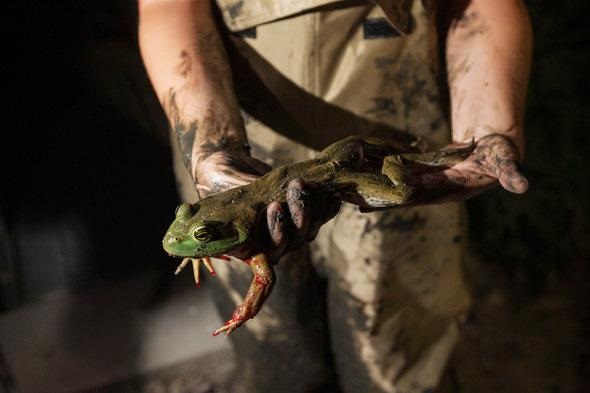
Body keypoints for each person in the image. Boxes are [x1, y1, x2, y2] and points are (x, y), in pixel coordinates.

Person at [138, 0, 531, 392]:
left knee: (396, 358)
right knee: (278, 363)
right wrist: (209, 146)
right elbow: (168, 7)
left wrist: (489, 124)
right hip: (231, 143)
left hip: (386, 133)